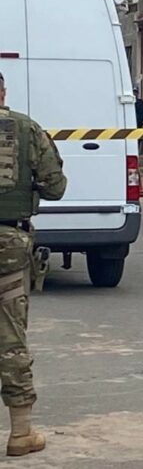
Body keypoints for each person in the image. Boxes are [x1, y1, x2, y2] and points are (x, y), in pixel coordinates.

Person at [0, 71, 67, 457]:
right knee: (10, 338)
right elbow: (55, 187)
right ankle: (20, 433)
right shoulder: (27, 129)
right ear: (3, 92)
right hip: (9, 245)